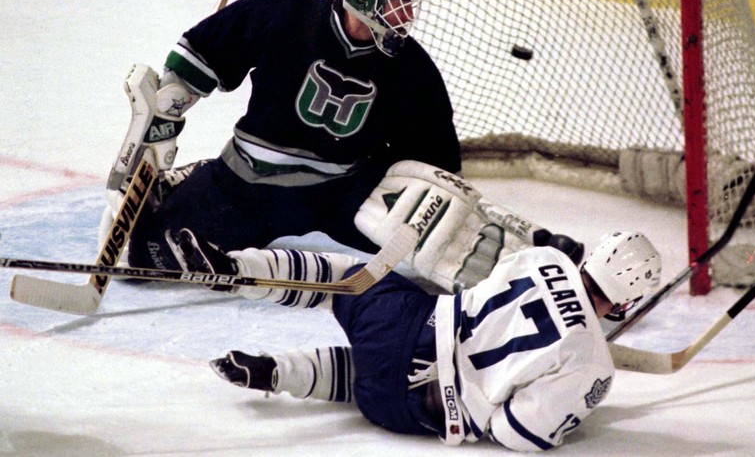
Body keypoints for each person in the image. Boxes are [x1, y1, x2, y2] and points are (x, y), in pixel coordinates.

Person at [163, 165, 662, 451]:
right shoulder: (593, 362)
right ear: (626, 299)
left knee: (347, 276)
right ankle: (278, 373)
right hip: (406, 410)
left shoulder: (545, 257)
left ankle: (234, 268)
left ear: (593, 255)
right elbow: (520, 434)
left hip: (406, 325)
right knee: (369, 376)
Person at [102, 0, 461, 271]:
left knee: (425, 244)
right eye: (398, 1)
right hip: (248, 186)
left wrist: (439, 200)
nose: (407, 14)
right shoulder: (291, 13)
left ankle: (192, 182)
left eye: (410, 4)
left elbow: (433, 148)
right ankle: (191, 182)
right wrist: (173, 101)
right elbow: (203, 54)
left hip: (339, 194)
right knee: (152, 252)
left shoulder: (410, 65)